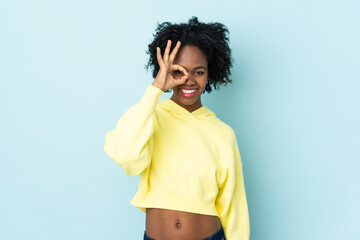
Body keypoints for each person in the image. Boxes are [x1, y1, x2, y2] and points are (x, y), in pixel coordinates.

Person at [103, 16, 250, 240]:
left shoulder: (222, 133)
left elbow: (234, 205)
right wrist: (156, 89)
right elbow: (126, 156)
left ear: (210, 74)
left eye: (198, 72)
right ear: (165, 71)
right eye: (179, 72)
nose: (189, 80)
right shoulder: (148, 117)